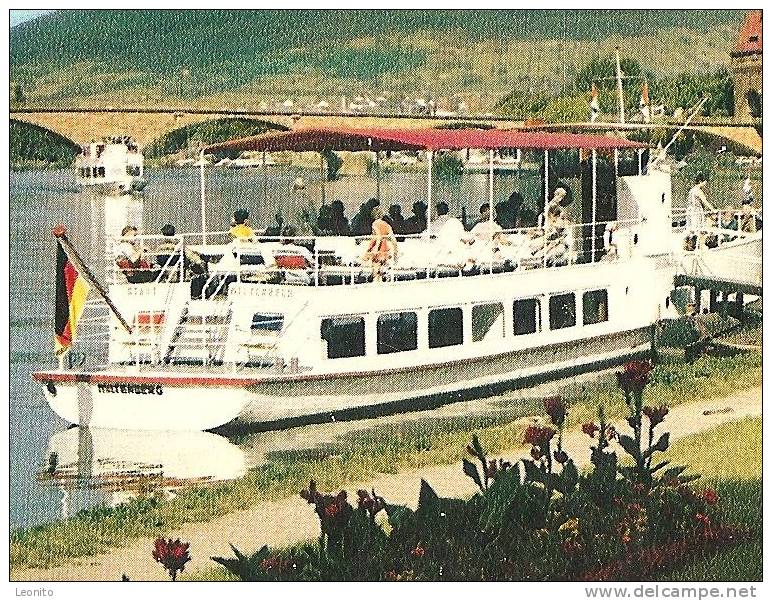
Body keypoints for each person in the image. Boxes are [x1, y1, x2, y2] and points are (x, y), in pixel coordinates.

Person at [156, 224, 208, 296]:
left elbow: (157, 256)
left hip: (167, 265)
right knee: (188, 254)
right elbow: (188, 254)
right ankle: (202, 261)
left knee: (188, 254)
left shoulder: (161, 246)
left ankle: (200, 260)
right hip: (175, 265)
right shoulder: (176, 245)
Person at [363, 207, 398, 281]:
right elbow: (393, 239)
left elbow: (378, 237)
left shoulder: (375, 224)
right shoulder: (386, 225)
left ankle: (376, 285)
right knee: (381, 270)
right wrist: (395, 252)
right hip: (385, 248)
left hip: (378, 247)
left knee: (375, 270)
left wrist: (375, 249)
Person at [686, 174, 715, 247]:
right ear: (700, 181)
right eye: (704, 182)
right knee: (699, 228)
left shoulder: (691, 190)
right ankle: (698, 245)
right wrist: (713, 209)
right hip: (696, 211)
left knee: (692, 228)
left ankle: (692, 245)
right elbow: (705, 201)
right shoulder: (698, 191)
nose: (705, 184)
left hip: (690, 210)